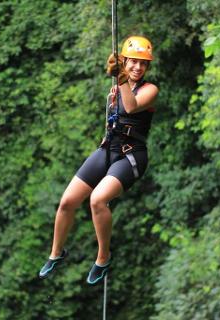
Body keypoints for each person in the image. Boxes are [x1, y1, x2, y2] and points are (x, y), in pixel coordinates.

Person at [38, 36, 159, 285]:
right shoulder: (116, 88)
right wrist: (119, 81)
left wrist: (121, 77)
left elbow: (132, 105)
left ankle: (103, 258)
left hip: (131, 155)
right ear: (125, 61)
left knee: (98, 200)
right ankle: (56, 253)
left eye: (143, 64)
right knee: (67, 202)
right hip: (108, 148)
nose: (138, 68)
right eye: (133, 62)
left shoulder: (150, 90)